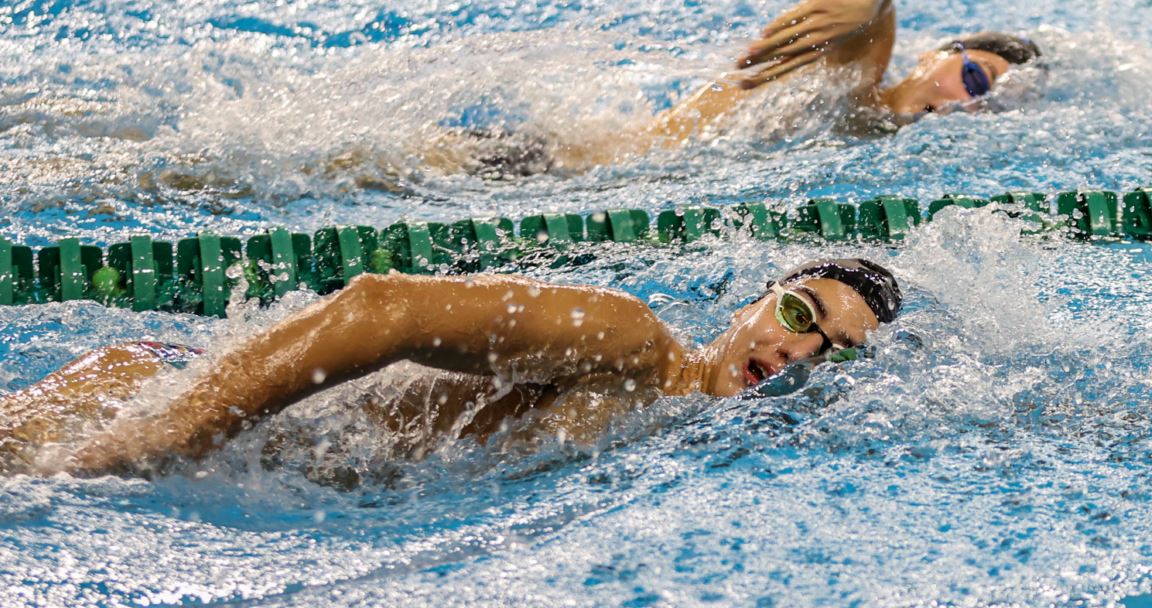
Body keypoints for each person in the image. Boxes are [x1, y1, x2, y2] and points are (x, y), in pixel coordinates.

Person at [0, 258, 901, 477]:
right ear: (753, 301)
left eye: (833, 350)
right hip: (164, 393)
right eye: (798, 314)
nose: (796, 351)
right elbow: (379, 308)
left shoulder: (680, 431)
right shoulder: (632, 344)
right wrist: (170, 431)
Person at [429, 0, 1043, 176]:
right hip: (541, 164)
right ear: (936, 53)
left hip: (568, 179)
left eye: (984, 103)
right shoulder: (858, 72)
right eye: (973, 76)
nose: (967, 101)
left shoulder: (871, 131)